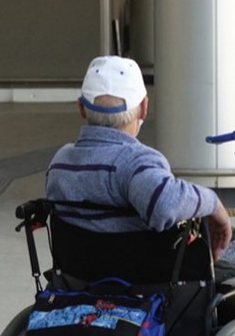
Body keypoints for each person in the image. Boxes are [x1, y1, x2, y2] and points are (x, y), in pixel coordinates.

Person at [45, 55, 231, 258]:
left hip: (76, 281)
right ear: (143, 108)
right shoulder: (135, 163)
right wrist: (212, 202)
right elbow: (165, 205)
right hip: (143, 283)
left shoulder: (60, 163)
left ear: (81, 107)